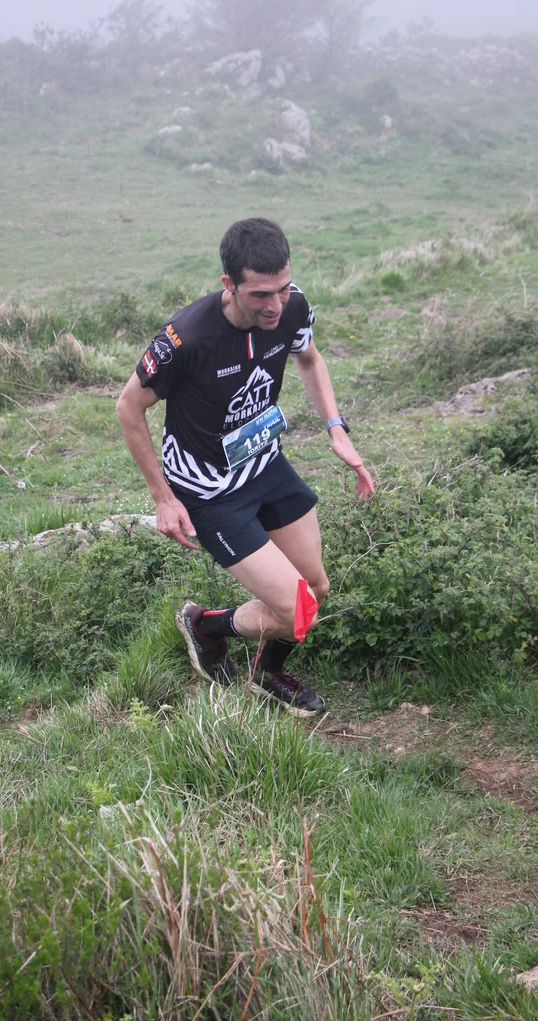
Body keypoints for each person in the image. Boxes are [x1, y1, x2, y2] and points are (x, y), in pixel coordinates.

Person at [117, 218, 374, 716]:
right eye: (260, 295)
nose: (275, 305)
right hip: (210, 491)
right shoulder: (187, 338)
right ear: (229, 285)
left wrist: (336, 428)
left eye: (282, 288)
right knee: (298, 610)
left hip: (264, 463)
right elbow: (128, 408)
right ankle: (205, 627)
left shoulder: (292, 306)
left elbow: (310, 359)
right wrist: (163, 498)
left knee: (316, 589)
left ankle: (265, 672)